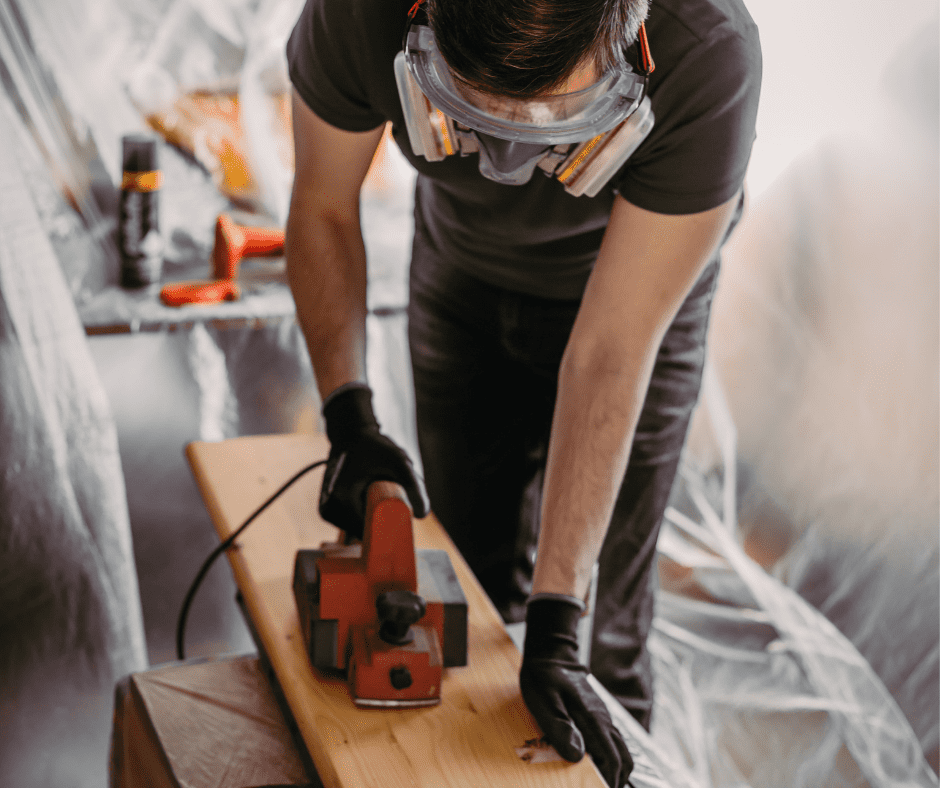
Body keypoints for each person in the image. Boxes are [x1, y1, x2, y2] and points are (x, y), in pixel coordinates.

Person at [284, 0, 761, 783]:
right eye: (470, 114)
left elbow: (609, 350)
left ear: (627, 39)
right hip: (459, 274)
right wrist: (349, 415)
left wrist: (556, 624)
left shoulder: (707, 52)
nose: (503, 165)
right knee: (462, 584)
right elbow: (323, 205)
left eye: (549, 125)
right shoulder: (359, 10)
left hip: (635, 301)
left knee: (596, 638)